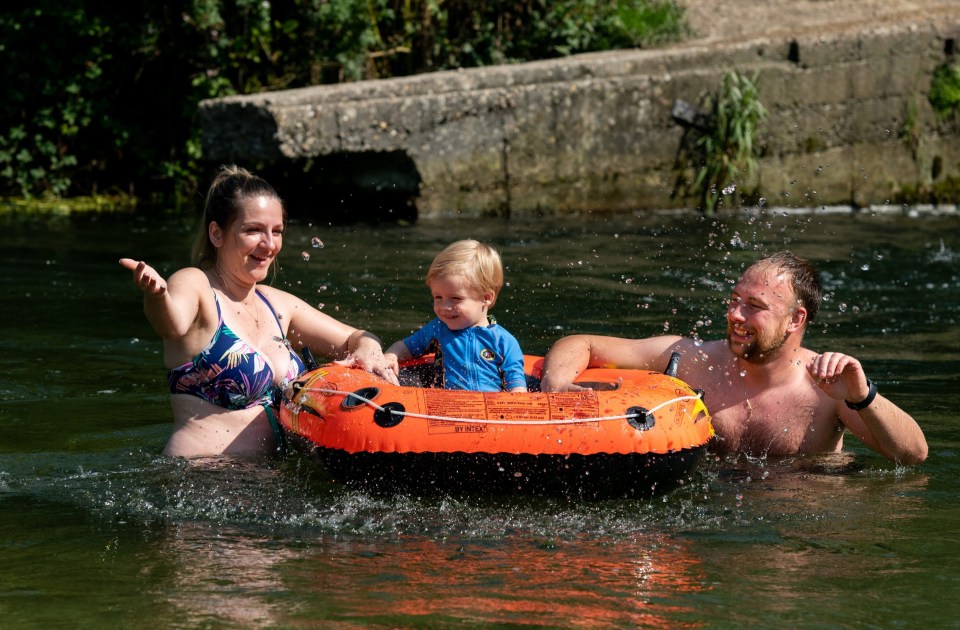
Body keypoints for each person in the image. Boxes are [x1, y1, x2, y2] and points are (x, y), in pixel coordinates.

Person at [541, 251, 928, 465]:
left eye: (754, 306)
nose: (735, 315)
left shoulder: (825, 388)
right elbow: (581, 344)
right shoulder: (692, 360)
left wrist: (862, 396)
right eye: (734, 300)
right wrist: (555, 383)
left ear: (796, 319)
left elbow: (913, 456)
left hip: (798, 534)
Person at [120, 165, 398, 458]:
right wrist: (157, 296)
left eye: (276, 231)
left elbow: (357, 337)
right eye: (253, 230)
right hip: (202, 481)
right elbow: (171, 324)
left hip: (270, 483)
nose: (269, 244)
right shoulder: (195, 284)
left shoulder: (277, 304)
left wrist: (370, 352)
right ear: (217, 233)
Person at [384, 239, 527, 392]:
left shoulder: (504, 342)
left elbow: (517, 387)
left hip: (488, 411)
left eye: (456, 298)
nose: (444, 307)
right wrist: (392, 355)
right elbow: (407, 346)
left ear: (486, 297)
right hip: (445, 408)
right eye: (438, 297)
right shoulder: (438, 329)